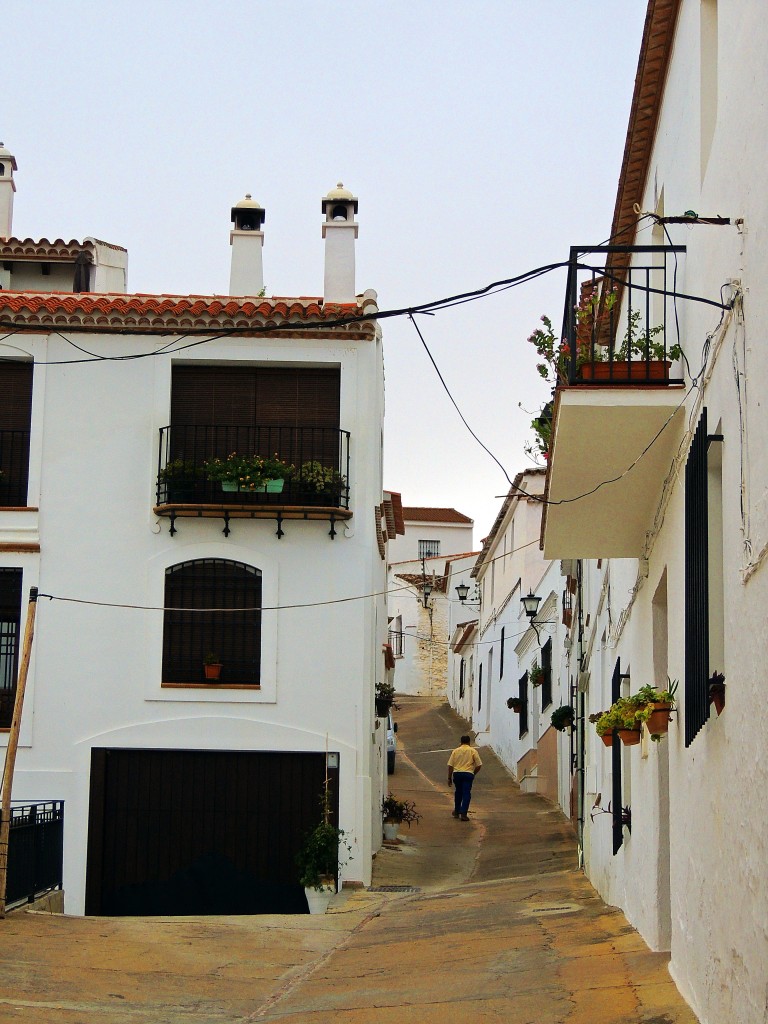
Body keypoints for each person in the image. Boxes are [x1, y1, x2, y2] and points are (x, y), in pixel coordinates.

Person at [447, 735, 482, 821]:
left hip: (457, 774)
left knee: (458, 792)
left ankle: (457, 811)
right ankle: (464, 813)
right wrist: (473, 773)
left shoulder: (455, 751)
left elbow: (450, 766)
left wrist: (449, 778)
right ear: (469, 742)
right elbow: (479, 765)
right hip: (468, 774)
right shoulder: (473, 751)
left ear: (461, 742)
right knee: (466, 793)